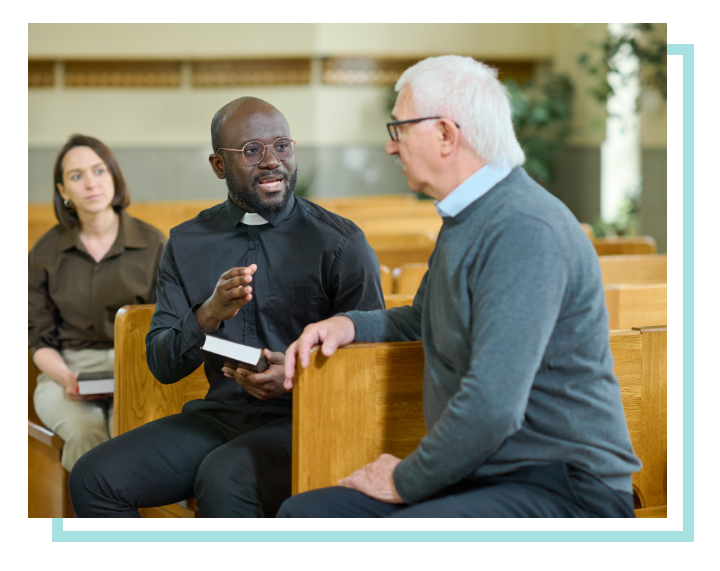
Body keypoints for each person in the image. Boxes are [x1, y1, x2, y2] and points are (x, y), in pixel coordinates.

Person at [279, 56, 642, 518]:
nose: (391, 148)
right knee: (305, 515)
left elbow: (493, 406)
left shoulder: (523, 227)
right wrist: (346, 325)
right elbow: (424, 316)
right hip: (490, 473)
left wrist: (404, 479)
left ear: (446, 135)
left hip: (563, 484)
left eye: (399, 130)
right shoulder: (469, 215)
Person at [69, 97, 385, 518]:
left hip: (307, 420)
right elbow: (163, 365)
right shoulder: (186, 242)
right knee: (93, 478)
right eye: (252, 150)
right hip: (219, 417)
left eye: (282, 146)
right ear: (219, 165)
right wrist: (208, 314)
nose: (272, 161)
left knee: (224, 475)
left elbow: (373, 361)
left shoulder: (340, 242)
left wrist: (296, 379)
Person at [28, 134, 166, 473]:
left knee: (131, 432)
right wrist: (66, 377)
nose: (91, 183)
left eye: (99, 171)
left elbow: (164, 325)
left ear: (114, 176)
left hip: (138, 367)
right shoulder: (44, 253)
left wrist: (138, 376)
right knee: (85, 432)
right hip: (68, 370)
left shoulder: (153, 243)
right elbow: (38, 338)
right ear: (63, 192)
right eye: (77, 176)